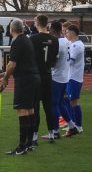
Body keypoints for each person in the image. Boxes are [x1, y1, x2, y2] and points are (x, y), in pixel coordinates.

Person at [0, 19, 40, 155]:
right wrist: (6, 73)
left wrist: (5, 78)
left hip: (25, 80)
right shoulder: (27, 39)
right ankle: (29, 144)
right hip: (34, 78)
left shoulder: (17, 41)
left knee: (22, 110)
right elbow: (21, 63)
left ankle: (22, 146)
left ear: (11, 29)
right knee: (30, 110)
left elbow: (12, 64)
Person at [30, 14, 59, 145]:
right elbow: (54, 61)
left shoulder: (33, 38)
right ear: (47, 23)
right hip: (48, 75)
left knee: (35, 107)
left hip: (36, 76)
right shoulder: (55, 39)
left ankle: (34, 137)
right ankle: (52, 134)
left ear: (37, 23)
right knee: (49, 106)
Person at [46, 21, 78, 140]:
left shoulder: (57, 42)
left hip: (57, 77)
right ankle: (71, 125)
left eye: (49, 29)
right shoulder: (66, 40)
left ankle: (55, 131)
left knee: (53, 104)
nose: (48, 31)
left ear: (53, 30)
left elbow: (53, 63)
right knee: (60, 103)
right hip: (65, 76)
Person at [64, 25, 85, 136]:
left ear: (72, 33)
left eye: (67, 32)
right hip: (71, 77)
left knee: (74, 102)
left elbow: (70, 62)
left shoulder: (76, 45)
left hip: (74, 77)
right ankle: (74, 125)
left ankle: (78, 126)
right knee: (70, 101)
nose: (66, 34)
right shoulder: (74, 44)